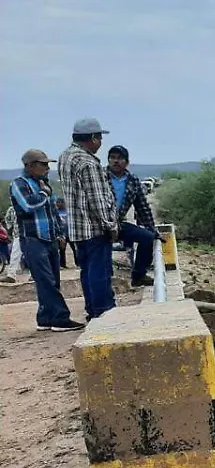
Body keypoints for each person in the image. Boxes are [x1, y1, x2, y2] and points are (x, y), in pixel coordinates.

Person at [9, 150, 84, 331]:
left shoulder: (44, 184)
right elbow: (28, 205)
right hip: (33, 239)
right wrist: (43, 193)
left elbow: (53, 212)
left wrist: (60, 234)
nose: (47, 168)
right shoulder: (19, 184)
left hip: (49, 238)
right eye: (43, 164)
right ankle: (60, 318)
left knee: (52, 281)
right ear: (30, 165)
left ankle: (45, 318)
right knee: (45, 281)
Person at [59, 118, 119, 321]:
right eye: (99, 138)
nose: (101, 142)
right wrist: (110, 225)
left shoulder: (65, 157)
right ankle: (104, 311)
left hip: (77, 228)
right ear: (92, 138)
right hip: (93, 228)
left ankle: (93, 310)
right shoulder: (88, 162)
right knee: (100, 271)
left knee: (87, 271)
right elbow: (97, 199)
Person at [107, 145, 165, 287]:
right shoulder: (100, 177)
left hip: (118, 223)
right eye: (112, 158)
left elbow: (142, 207)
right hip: (99, 224)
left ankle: (139, 276)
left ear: (127, 162)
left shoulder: (132, 180)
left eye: (120, 158)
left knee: (147, 237)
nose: (116, 161)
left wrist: (152, 229)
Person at [2, 205, 22, 282]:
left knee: (31, 255)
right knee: (15, 254)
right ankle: (11, 275)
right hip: (19, 233)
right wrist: (10, 228)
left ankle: (11, 275)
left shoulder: (14, 208)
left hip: (25, 233)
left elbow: (7, 220)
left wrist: (10, 228)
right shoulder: (12, 208)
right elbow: (7, 219)